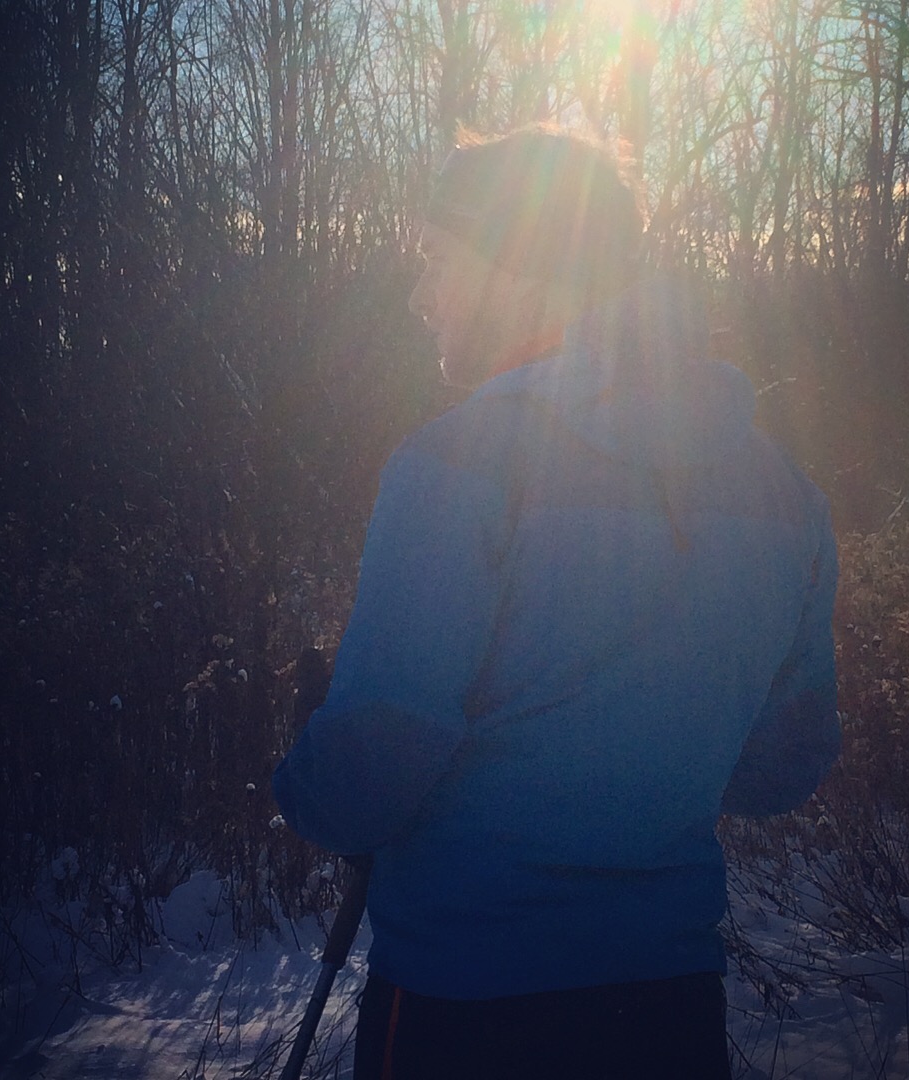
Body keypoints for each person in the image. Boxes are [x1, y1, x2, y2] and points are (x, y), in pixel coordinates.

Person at [272, 125, 839, 1080]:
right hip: (669, 1014)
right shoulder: (787, 495)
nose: (419, 297)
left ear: (518, 266)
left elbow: (370, 774)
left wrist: (305, 760)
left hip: (464, 1009)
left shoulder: (454, 466)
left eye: (434, 260)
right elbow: (778, 770)